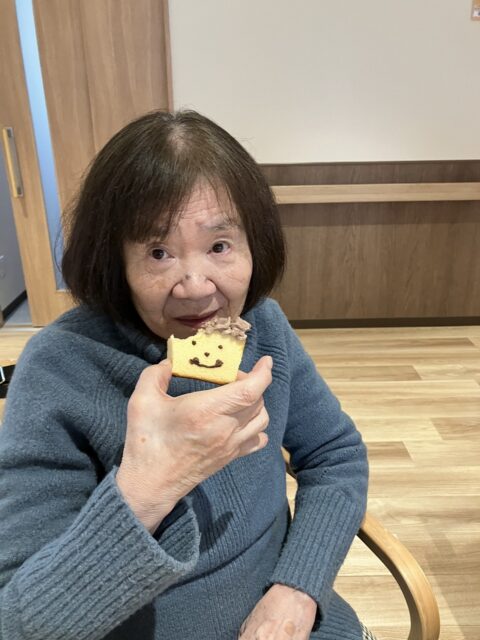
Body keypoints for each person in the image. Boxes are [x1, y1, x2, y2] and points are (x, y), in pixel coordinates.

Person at [0, 110, 374, 640]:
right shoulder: (60, 367)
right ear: (115, 262)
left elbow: (335, 454)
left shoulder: (263, 326)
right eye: (159, 253)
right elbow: (19, 622)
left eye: (219, 246)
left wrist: (298, 589)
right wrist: (148, 486)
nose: (196, 286)